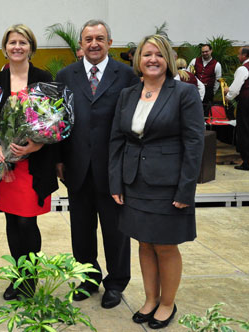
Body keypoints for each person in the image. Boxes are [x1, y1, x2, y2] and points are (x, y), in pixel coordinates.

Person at [109, 34, 204, 329]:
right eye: (147, 54)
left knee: (165, 245)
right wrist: (116, 182)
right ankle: (150, 299)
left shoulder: (184, 93)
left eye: (159, 55)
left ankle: (166, 303)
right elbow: (116, 140)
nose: (152, 59)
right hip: (134, 181)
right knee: (144, 243)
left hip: (168, 183)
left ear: (169, 60)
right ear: (138, 60)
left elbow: (194, 143)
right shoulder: (127, 94)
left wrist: (186, 188)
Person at [56, 19, 139, 309]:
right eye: (88, 38)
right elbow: (59, 121)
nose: (94, 43)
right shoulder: (66, 75)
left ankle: (116, 283)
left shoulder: (127, 76)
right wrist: (58, 160)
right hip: (76, 166)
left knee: (116, 230)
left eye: (100, 38)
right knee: (81, 229)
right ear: (81, 44)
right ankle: (88, 278)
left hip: (113, 168)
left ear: (110, 43)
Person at [0, 24, 57, 300]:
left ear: (31, 47)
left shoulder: (42, 78)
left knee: (27, 223)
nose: (17, 47)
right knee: (12, 221)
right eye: (12, 42)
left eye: (22, 42)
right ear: (5, 47)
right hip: (5, 165)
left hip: (33, 165)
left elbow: (53, 122)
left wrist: (36, 144)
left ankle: (30, 279)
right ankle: (17, 277)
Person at [224, 47, 249, 170]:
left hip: (246, 102)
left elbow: (235, 89)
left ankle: (247, 162)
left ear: (245, 55)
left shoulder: (243, 68)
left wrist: (228, 95)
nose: (238, 57)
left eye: (239, 54)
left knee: (244, 131)